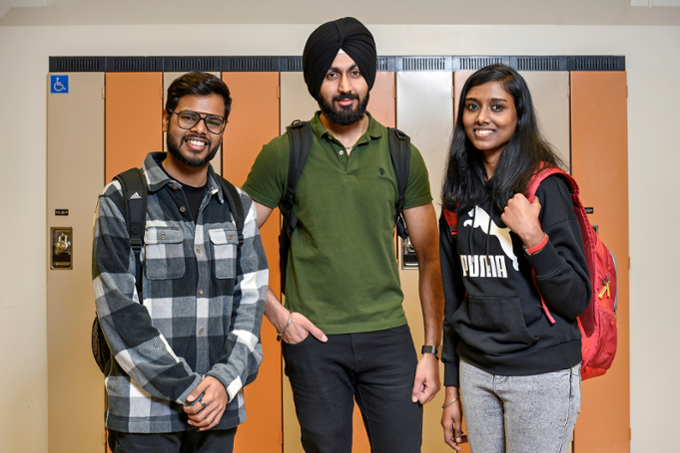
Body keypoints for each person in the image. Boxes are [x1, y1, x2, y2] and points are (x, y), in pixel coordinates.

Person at [242, 17, 444, 453]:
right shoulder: (285, 152)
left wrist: (431, 348)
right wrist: (277, 315)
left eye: (354, 72)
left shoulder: (401, 154)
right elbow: (233, 237)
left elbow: (430, 257)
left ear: (368, 78)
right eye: (332, 74)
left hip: (389, 337)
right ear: (317, 83)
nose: (345, 85)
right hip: (313, 340)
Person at [92, 71, 268, 453]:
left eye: (213, 121)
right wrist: (190, 390)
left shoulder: (238, 207)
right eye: (188, 117)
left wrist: (222, 382)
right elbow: (119, 311)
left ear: (222, 129)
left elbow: (251, 305)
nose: (200, 129)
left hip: (218, 411)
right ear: (166, 118)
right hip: (144, 415)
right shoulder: (122, 198)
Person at [439, 64, 591, 453]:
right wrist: (452, 389)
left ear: (518, 116)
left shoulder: (545, 187)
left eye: (497, 107)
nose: (482, 118)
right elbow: (454, 302)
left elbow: (576, 298)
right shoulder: (458, 196)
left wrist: (534, 237)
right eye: (472, 107)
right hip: (477, 372)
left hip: (541, 370)